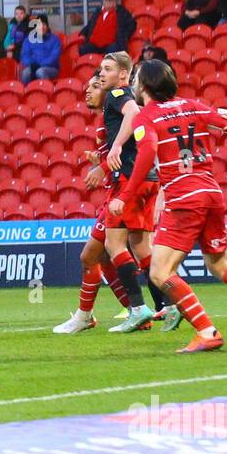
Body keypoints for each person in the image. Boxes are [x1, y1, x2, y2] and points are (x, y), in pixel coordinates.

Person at [110, 60, 227, 353]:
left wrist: (125, 195)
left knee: (160, 272)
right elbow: (226, 120)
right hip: (211, 192)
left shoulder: (146, 117)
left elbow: (147, 154)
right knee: (221, 264)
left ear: (144, 85)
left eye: (137, 77)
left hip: (182, 197)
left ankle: (207, 331)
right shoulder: (192, 105)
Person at [55, 55, 165, 335]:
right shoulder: (109, 118)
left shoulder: (117, 97)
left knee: (92, 255)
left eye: (96, 83)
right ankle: (166, 306)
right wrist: (102, 159)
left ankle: (117, 312)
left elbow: (133, 126)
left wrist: (106, 160)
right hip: (136, 181)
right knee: (135, 250)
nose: (90, 90)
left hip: (125, 186)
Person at [20, 15, 61, 83]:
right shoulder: (29, 40)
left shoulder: (55, 40)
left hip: (51, 68)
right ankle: (28, 92)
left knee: (40, 72)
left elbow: (54, 57)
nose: (41, 27)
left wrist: (40, 64)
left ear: (47, 26)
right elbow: (24, 56)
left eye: (44, 25)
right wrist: (32, 64)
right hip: (33, 66)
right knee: (25, 73)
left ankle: (46, 91)